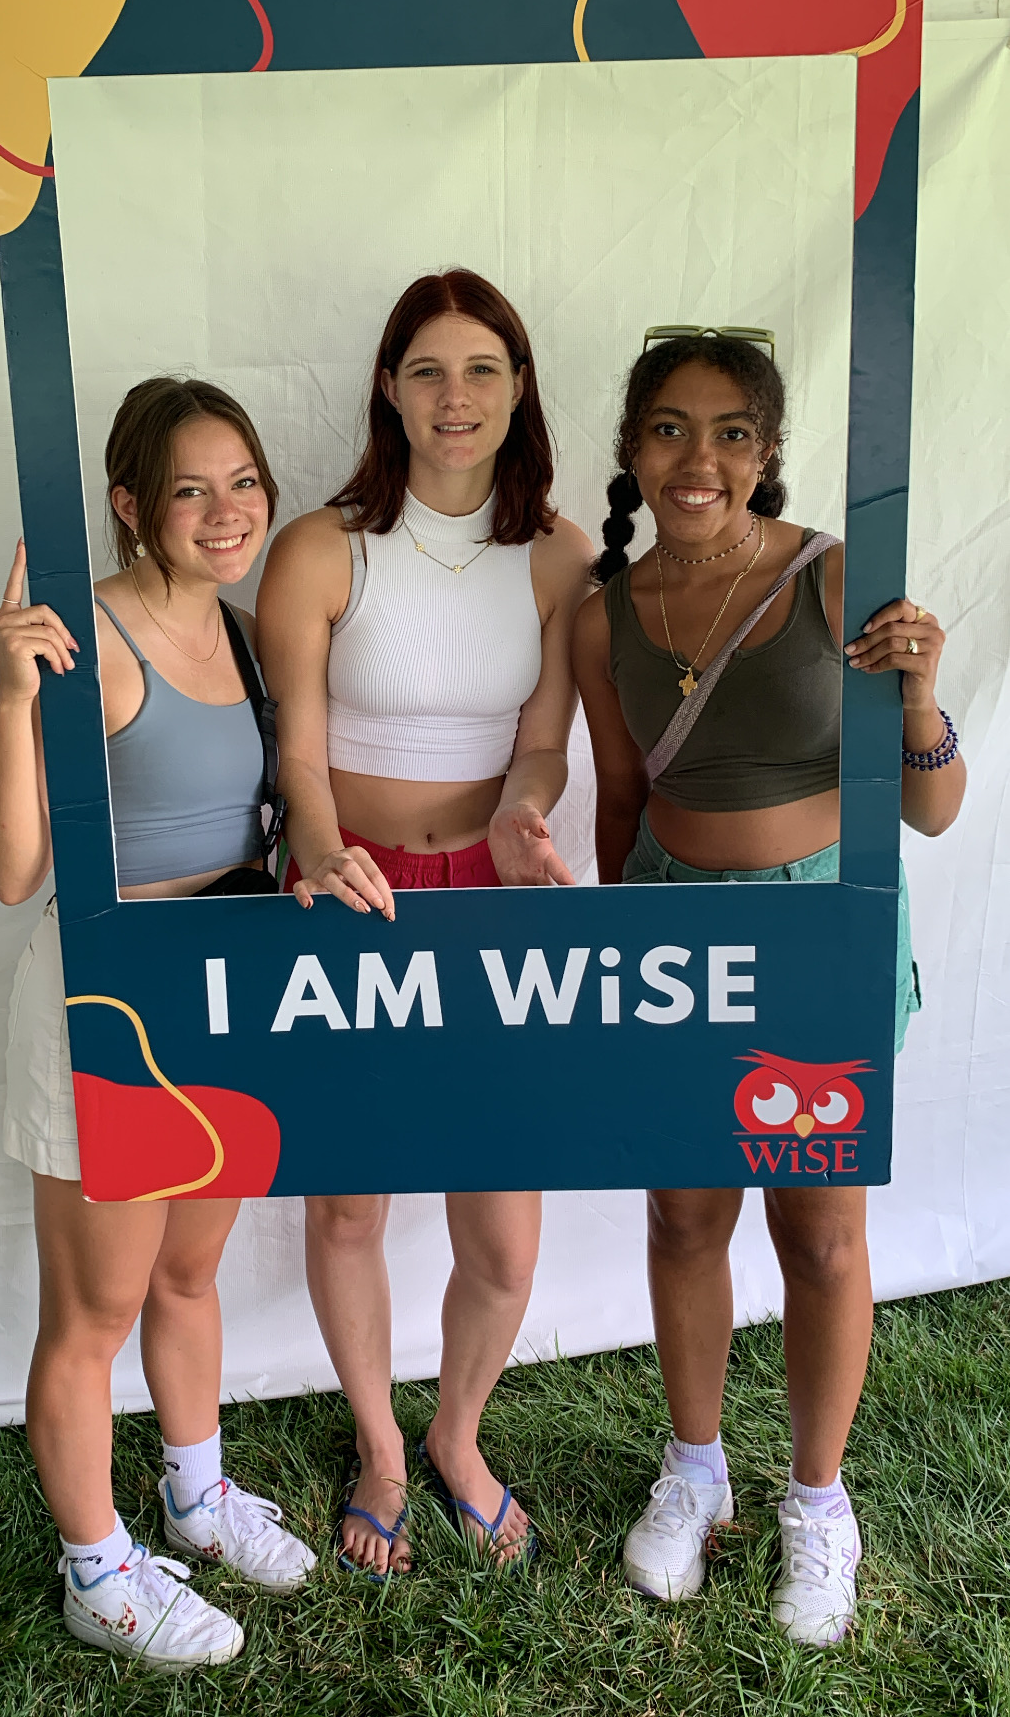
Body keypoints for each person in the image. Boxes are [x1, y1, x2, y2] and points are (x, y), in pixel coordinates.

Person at [572, 328, 964, 1647]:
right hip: (669, 932)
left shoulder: (836, 577)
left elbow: (931, 811)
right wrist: (612, 963)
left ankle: (815, 1500)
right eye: (669, 428)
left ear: (768, 449)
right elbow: (621, 798)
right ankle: (691, 1470)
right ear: (631, 446)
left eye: (731, 430)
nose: (698, 458)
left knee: (822, 1235)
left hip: (812, 937)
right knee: (684, 1219)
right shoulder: (600, 613)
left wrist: (918, 692)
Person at [0, 377, 316, 1671]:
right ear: (130, 504)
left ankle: (194, 1491)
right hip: (107, 1009)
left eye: (241, 482)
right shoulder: (83, 638)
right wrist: (13, 692)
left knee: (186, 1274)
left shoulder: (238, 632)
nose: (224, 511)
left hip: (218, 1003)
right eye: (189, 487)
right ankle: (96, 1570)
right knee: (94, 1311)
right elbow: (14, 868)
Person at [257, 269, 593, 1575]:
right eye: (427, 371)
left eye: (482, 370)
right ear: (387, 391)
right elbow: (298, 748)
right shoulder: (319, 546)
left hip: (494, 906)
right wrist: (328, 849)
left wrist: (521, 812)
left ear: (518, 391)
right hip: (354, 896)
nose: (455, 398)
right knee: (349, 1206)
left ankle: (456, 1435)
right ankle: (380, 1451)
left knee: (501, 1229)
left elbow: (545, 739)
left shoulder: (559, 552)